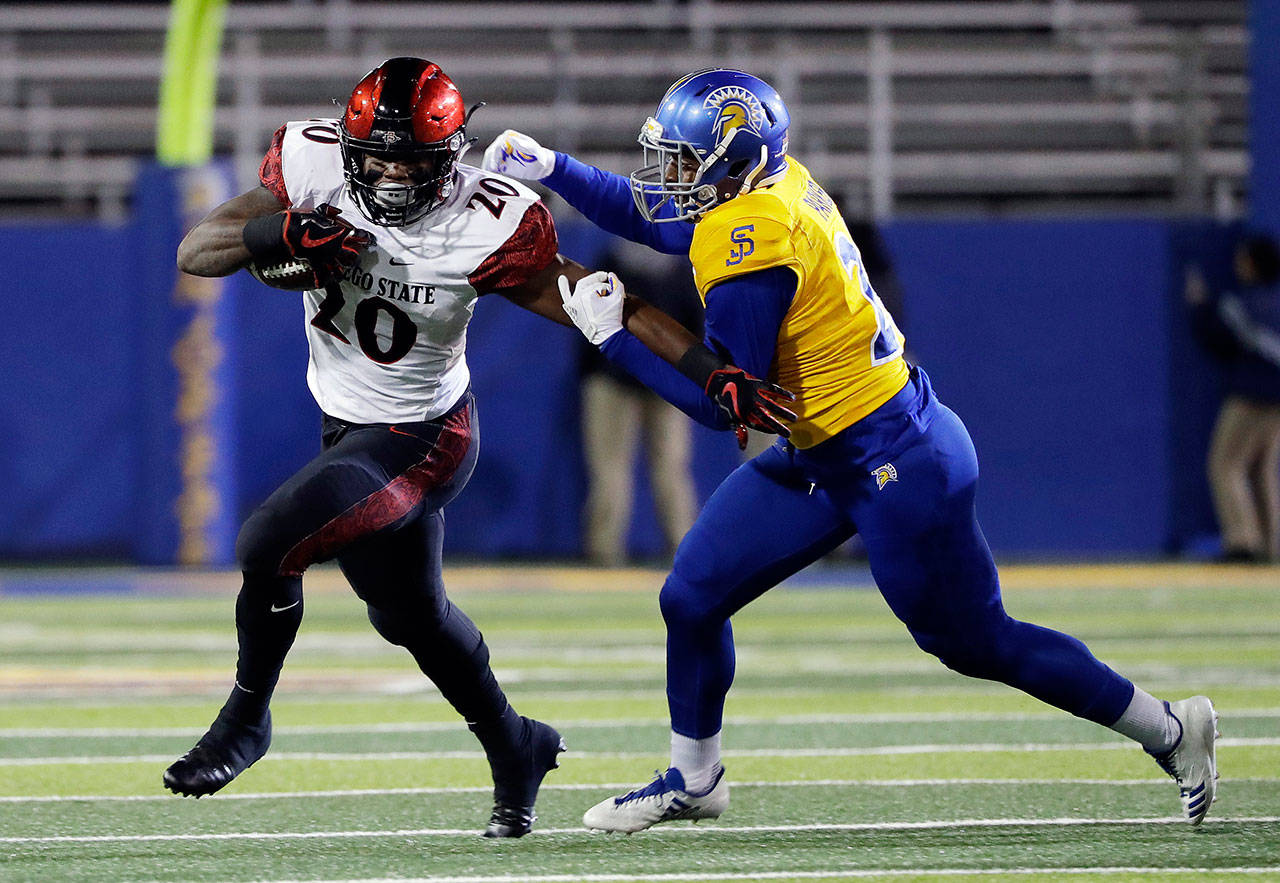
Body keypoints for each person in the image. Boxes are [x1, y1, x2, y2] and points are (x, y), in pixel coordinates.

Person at [483, 67, 1220, 832]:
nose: (667, 176)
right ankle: (695, 777)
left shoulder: (751, 238)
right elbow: (663, 219)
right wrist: (555, 170)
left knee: (975, 641)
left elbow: (724, 405)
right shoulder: (768, 189)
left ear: (733, 161)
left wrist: (613, 340)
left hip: (894, 461)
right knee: (692, 596)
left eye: (683, 160)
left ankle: (1170, 729)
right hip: (829, 452)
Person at [165, 57, 793, 839]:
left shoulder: (487, 219)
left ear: (450, 156)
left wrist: (712, 371)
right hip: (344, 424)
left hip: (423, 436)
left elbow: (609, 302)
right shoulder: (311, 164)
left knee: (268, 540)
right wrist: (281, 230)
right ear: (349, 146)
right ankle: (515, 743)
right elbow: (198, 248)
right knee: (410, 617)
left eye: (412, 160)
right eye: (378, 156)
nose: (392, 175)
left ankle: (247, 717)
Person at [579, 239, 702, 565]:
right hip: (652, 379)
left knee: (619, 471)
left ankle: (606, 553)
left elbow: (587, 317)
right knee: (664, 471)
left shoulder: (614, 257)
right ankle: (684, 552)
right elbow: (696, 328)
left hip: (622, 376)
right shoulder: (675, 262)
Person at [1185, 233, 1280, 563]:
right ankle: (1271, 544)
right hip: (1277, 399)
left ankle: (1243, 542)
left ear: (1252, 263)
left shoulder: (1242, 304)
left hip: (1250, 394)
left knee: (1226, 464)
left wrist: (1198, 306)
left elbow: (1219, 341)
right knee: (1262, 468)